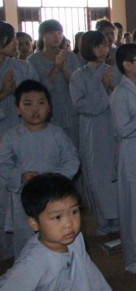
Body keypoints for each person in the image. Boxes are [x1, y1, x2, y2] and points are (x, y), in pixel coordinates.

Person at [0, 80, 80, 258]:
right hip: (24, 197)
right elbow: (3, 164)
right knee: (26, 241)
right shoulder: (11, 136)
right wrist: (21, 177)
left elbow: (72, 159)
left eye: (41, 103)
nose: (35, 109)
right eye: (28, 104)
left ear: (49, 107)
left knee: (58, 236)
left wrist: (55, 178)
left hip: (55, 195)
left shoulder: (57, 133)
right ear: (18, 109)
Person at [0, 173, 111, 290]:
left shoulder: (75, 238)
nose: (69, 224)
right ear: (34, 223)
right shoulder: (32, 263)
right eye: (57, 217)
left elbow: (91, 274)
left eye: (74, 212)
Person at [69, 31, 119, 236]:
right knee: (96, 174)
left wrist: (111, 87)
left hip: (112, 127)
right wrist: (103, 88)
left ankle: (118, 219)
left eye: (105, 46)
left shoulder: (114, 71)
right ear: (87, 49)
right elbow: (81, 105)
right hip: (92, 131)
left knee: (114, 173)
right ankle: (102, 221)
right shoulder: (79, 75)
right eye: (97, 46)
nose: (102, 50)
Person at [110, 43, 136, 274]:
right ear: (126, 65)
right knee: (134, 212)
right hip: (132, 156)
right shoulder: (120, 94)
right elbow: (122, 129)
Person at [0, 22, 38, 259]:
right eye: (12, 39)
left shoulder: (22, 67)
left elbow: (36, 94)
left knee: (22, 189)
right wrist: (4, 92)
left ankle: (25, 248)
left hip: (22, 134)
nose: (16, 44)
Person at [27, 19, 81, 149]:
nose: (56, 36)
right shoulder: (33, 60)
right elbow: (36, 89)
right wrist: (55, 68)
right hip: (49, 113)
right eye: (52, 33)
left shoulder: (71, 57)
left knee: (73, 150)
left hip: (71, 113)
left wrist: (63, 69)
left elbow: (78, 85)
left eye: (59, 33)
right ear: (42, 35)